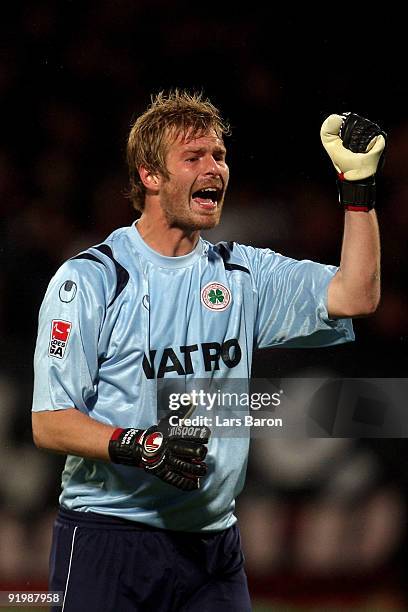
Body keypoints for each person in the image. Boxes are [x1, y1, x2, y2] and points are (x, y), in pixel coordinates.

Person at [32, 90, 385, 612]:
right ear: (150, 176)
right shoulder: (91, 280)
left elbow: (357, 294)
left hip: (212, 548)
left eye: (219, 155)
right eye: (193, 157)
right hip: (108, 538)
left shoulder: (242, 273)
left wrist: (358, 192)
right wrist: (143, 446)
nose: (214, 167)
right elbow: (50, 422)